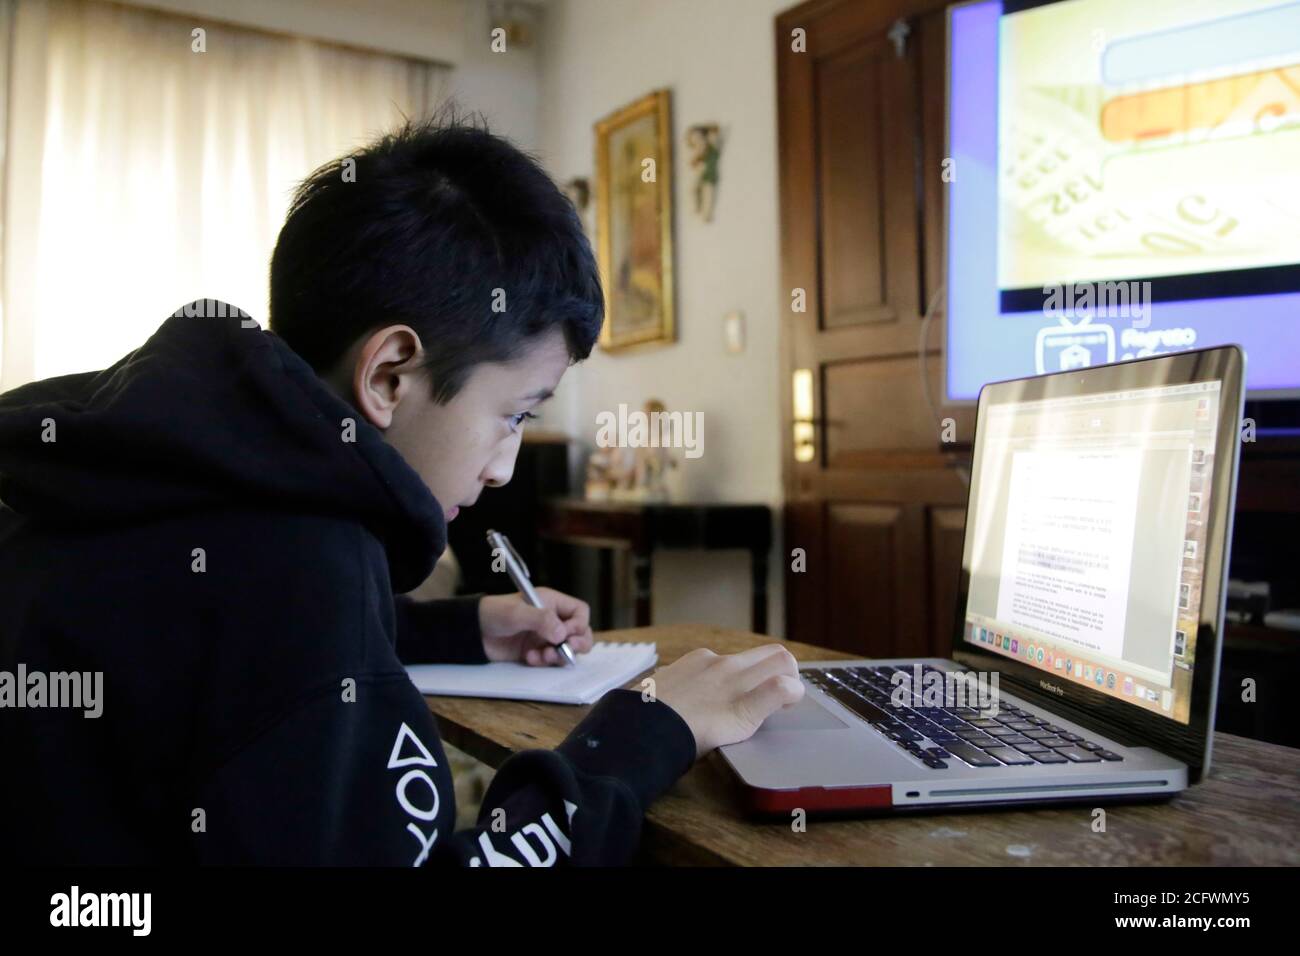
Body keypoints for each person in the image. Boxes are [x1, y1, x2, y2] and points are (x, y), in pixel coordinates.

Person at [0, 113, 803, 866]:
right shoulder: (304, 563)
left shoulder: (138, 453)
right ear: (389, 374)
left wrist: (465, 628)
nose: (504, 468)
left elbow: (221, 648)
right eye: (513, 415)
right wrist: (641, 737)